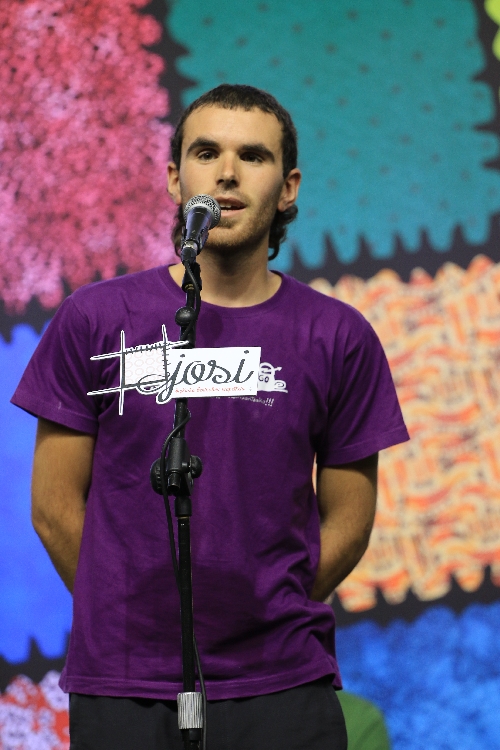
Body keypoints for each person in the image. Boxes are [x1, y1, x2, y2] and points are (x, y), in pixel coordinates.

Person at [12, 84, 409, 750]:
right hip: (124, 683)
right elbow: (53, 507)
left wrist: (267, 607)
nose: (227, 173)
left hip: (281, 681)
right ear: (176, 178)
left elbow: (350, 516)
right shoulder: (95, 319)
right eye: (206, 153)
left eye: (252, 156)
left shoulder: (337, 335)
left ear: (288, 188)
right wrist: (129, 611)